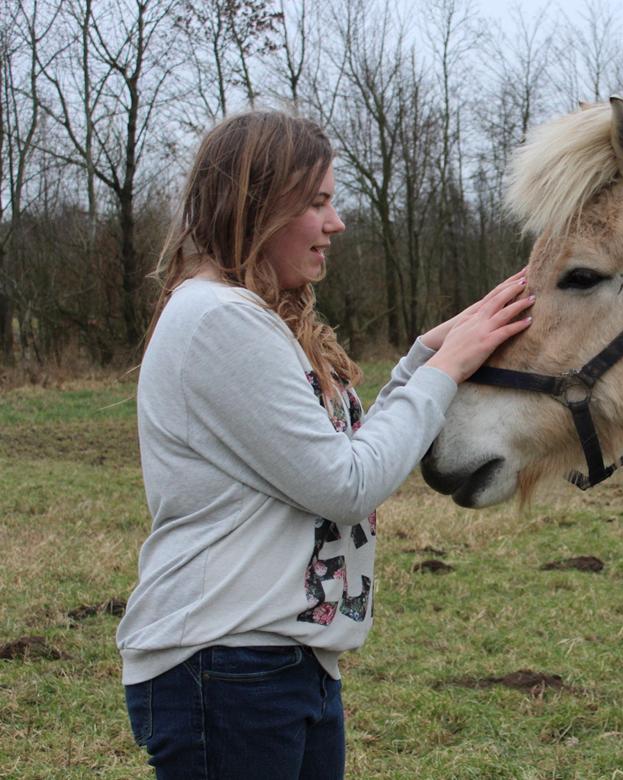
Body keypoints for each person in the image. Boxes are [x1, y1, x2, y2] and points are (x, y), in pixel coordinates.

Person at [115, 110, 532, 779]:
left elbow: (347, 446)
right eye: (317, 203)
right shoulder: (219, 321)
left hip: (282, 660)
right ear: (256, 207)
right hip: (227, 665)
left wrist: (426, 353)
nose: (335, 224)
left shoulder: (254, 320)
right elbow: (346, 483)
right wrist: (442, 370)